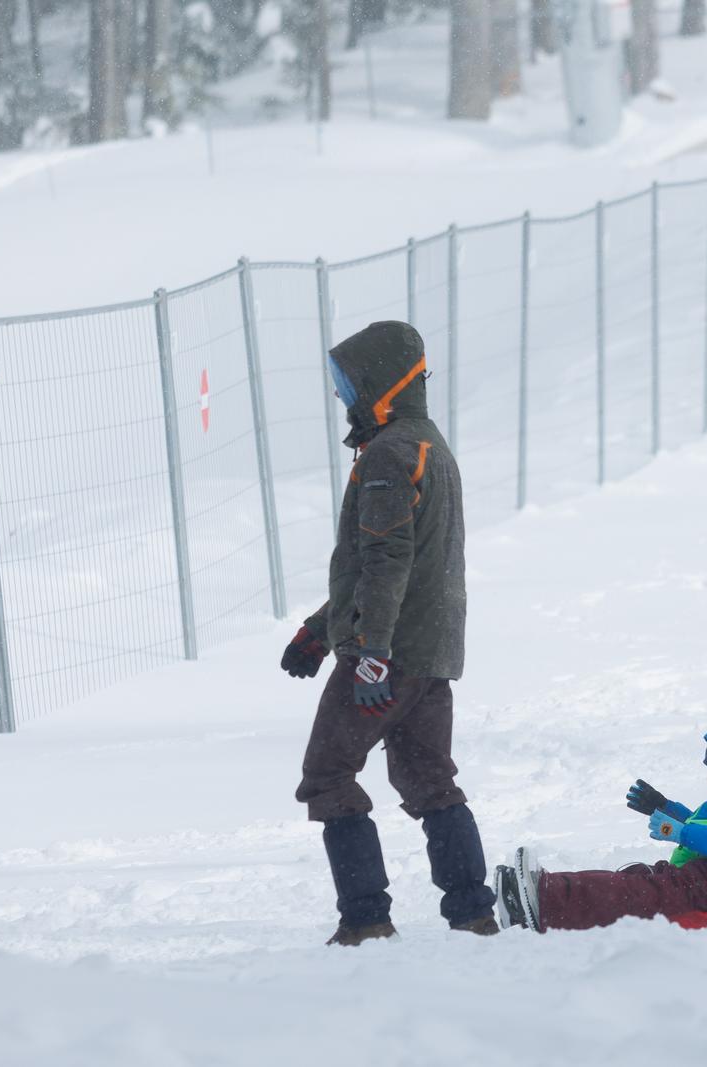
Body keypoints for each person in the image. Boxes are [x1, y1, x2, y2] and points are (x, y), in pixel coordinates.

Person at [281, 320, 498, 945]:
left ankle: (366, 919)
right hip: (430, 652)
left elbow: (387, 562)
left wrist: (369, 651)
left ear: (382, 384)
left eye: (349, 382)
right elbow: (401, 562)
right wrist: (321, 629)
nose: (341, 394)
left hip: (390, 652)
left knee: (328, 777)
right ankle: (472, 912)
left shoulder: (387, 456)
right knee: (430, 779)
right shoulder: (427, 444)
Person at [492, 710, 707, 932]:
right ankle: (544, 892)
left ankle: (545, 899)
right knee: (633, 879)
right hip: (701, 874)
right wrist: (664, 807)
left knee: (634, 894)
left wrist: (682, 833)